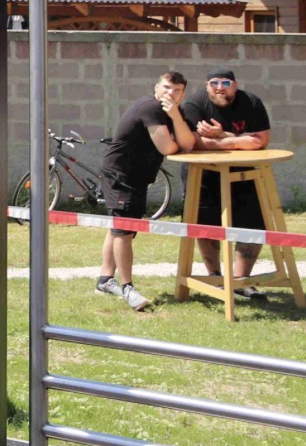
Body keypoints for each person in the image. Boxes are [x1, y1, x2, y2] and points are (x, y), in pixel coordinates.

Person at [94, 71, 196, 311]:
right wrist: (175, 127)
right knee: (123, 232)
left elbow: (188, 143)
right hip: (120, 176)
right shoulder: (150, 108)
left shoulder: (172, 112)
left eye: (177, 90)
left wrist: (175, 117)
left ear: (183, 94)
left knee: (121, 228)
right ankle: (127, 287)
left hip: (137, 178)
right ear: (156, 87)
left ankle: (104, 279)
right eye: (167, 87)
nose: (170, 93)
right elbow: (168, 146)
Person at [179, 66, 273, 297]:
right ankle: (215, 278)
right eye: (215, 83)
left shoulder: (250, 102)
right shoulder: (195, 105)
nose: (220, 88)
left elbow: (261, 140)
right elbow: (191, 142)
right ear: (207, 86)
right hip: (204, 173)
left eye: (226, 83)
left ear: (235, 85)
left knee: (252, 225)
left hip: (246, 172)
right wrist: (236, 141)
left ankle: (242, 281)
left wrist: (220, 136)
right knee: (205, 226)